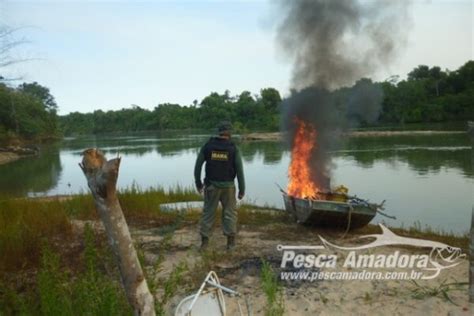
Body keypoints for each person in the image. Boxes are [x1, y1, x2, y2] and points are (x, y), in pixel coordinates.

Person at [194, 121, 245, 251]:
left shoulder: (208, 146)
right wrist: (242, 189)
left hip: (211, 186)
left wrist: (198, 183)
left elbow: (198, 166)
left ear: (219, 132)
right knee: (230, 214)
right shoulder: (233, 148)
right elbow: (239, 170)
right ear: (229, 133)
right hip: (228, 187)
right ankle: (230, 244)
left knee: (208, 213)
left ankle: (204, 244)